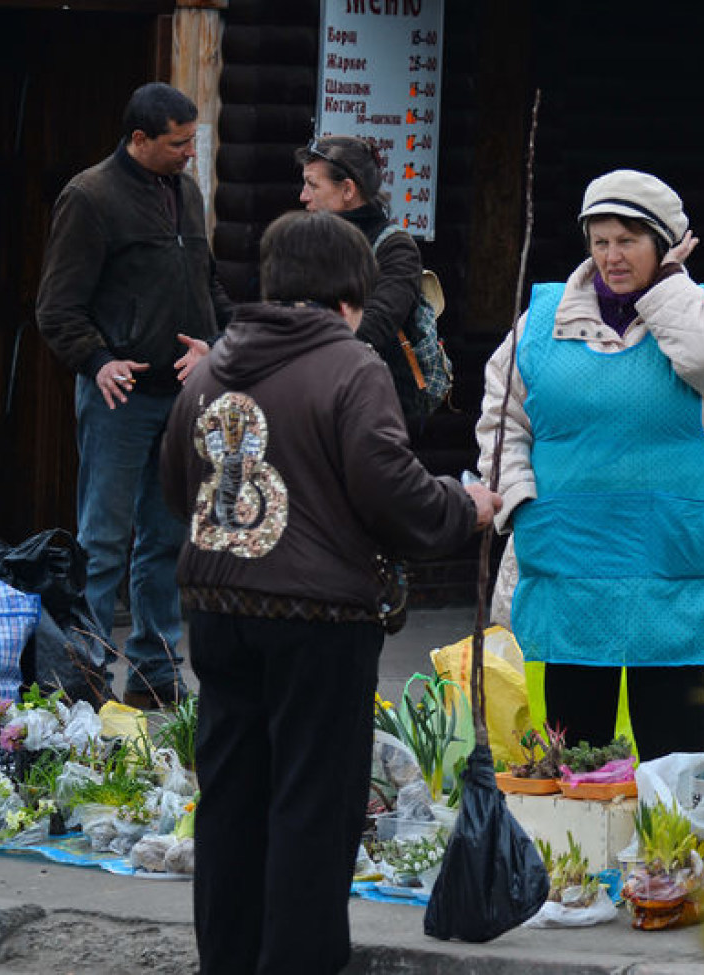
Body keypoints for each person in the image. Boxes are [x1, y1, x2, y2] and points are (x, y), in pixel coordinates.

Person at [159, 209, 501, 975]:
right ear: (352, 292)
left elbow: (177, 483)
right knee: (314, 805)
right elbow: (391, 492)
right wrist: (463, 505)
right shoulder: (352, 367)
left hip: (216, 608)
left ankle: (229, 962)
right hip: (318, 618)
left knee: (231, 800)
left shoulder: (213, 366)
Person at [476, 169, 704, 761]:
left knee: (677, 759)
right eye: (600, 241)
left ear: (665, 243)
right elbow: (502, 420)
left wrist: (669, 285)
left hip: (671, 559)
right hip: (569, 557)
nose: (611, 256)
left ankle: (672, 857)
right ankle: (578, 859)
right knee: (577, 755)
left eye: (629, 240)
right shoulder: (540, 323)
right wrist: (522, 504)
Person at [35, 82, 231, 709]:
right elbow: (56, 306)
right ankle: (84, 672)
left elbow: (207, 283)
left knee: (166, 538)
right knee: (103, 541)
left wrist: (218, 344)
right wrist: (98, 360)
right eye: (178, 143)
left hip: (180, 397)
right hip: (119, 399)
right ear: (139, 139)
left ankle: (155, 672)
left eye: (192, 141)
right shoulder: (89, 197)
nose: (188, 155)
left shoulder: (188, 192)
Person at [294, 134, 431, 436]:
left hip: (378, 409)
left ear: (347, 190)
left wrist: (300, 345)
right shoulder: (310, 240)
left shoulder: (394, 247)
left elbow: (375, 324)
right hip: (315, 402)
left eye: (313, 185)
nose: (303, 196)